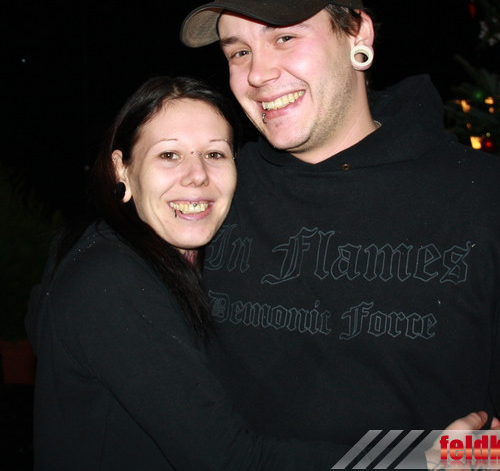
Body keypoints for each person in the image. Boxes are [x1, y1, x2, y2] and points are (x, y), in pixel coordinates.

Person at [179, 0, 500, 444]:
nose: (258, 74)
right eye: (239, 51)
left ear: (357, 32)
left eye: (284, 37)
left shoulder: (492, 203)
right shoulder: (210, 195)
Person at [25, 76, 352, 470]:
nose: (197, 175)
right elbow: (229, 460)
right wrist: (411, 458)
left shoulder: (193, 266)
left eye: (214, 154)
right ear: (122, 169)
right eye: (169, 155)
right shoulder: (110, 281)